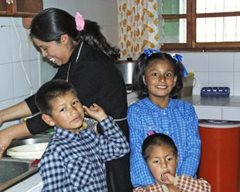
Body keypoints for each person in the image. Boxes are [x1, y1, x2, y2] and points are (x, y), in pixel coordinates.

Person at [0, 8, 132, 192]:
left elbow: (51, 112)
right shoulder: (75, 58)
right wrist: (3, 115)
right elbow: (44, 98)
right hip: (95, 139)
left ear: (63, 38)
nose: (45, 55)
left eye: (45, 48)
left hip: (107, 140)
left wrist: (8, 134)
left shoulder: (91, 66)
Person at [35, 79, 129, 191]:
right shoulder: (55, 154)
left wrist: (103, 118)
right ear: (49, 119)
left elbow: (121, 148)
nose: (74, 111)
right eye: (63, 109)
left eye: (74, 102)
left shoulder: (90, 137)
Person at [127, 49, 201, 187]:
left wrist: (179, 183)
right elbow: (137, 154)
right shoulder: (136, 112)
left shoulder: (187, 111)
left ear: (174, 80)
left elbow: (193, 149)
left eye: (167, 74)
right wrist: (152, 187)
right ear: (144, 79)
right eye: (155, 74)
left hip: (182, 185)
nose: (162, 79)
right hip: (150, 186)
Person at [133, 133, 211, 192]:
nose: (164, 165)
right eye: (156, 161)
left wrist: (175, 181)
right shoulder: (146, 190)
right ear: (147, 165)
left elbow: (206, 188)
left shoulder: (185, 182)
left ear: (177, 159)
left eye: (169, 159)